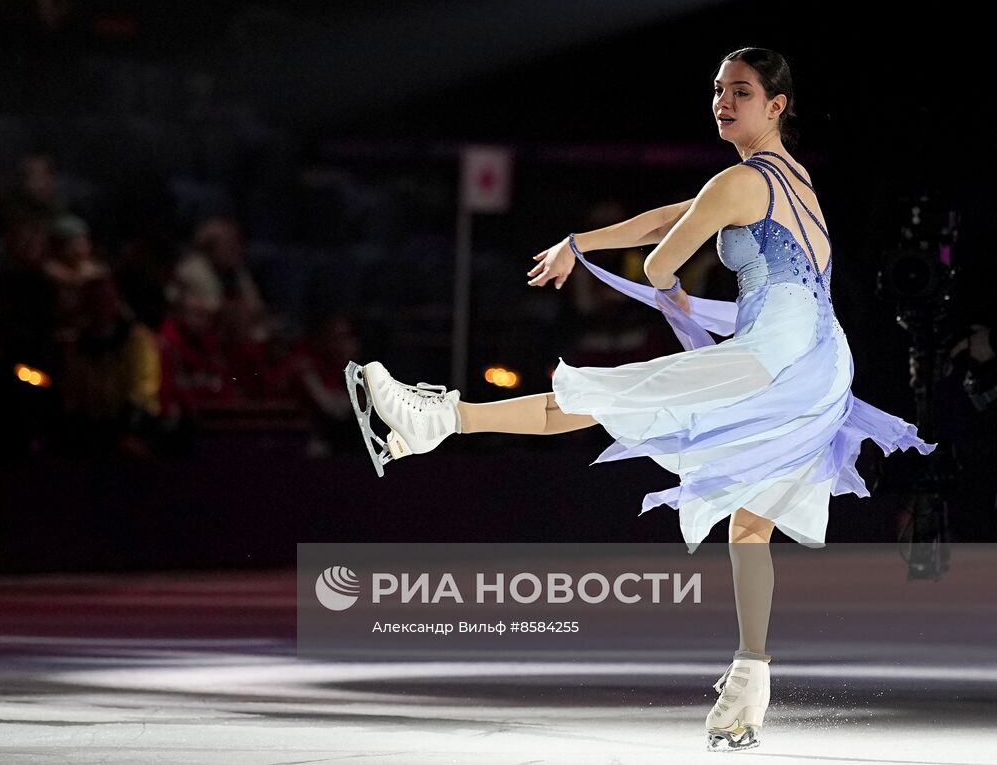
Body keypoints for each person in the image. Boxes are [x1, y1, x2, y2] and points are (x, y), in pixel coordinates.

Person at [344, 47, 937, 753]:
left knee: (613, 394)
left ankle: (439, 417)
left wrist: (667, 287)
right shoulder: (791, 178)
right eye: (717, 89)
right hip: (820, 362)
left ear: (777, 104)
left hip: (772, 356)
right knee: (750, 525)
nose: (723, 101)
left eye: (741, 91)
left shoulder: (740, 180)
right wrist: (579, 241)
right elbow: (670, 216)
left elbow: (660, 259)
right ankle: (751, 678)